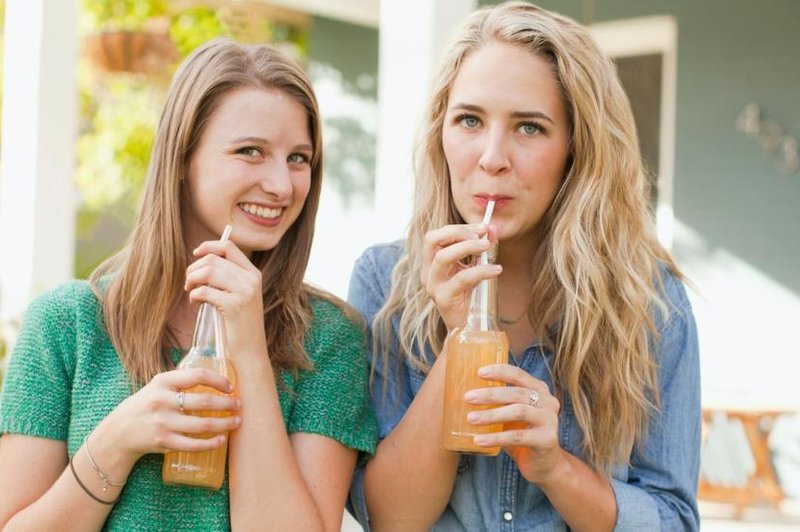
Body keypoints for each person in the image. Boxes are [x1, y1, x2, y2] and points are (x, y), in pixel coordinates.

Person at [347, 2, 700, 530]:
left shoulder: (649, 300)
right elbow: (390, 519)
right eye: (469, 120)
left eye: (529, 128)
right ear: (440, 134)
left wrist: (555, 469)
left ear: (577, 148)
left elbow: (673, 520)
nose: (492, 157)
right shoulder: (386, 281)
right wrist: (461, 337)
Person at [0, 39, 376, 531]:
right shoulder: (66, 324)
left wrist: (248, 350)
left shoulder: (329, 338)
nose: (283, 186)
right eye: (250, 151)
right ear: (182, 158)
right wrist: (117, 439)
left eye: (298, 158)